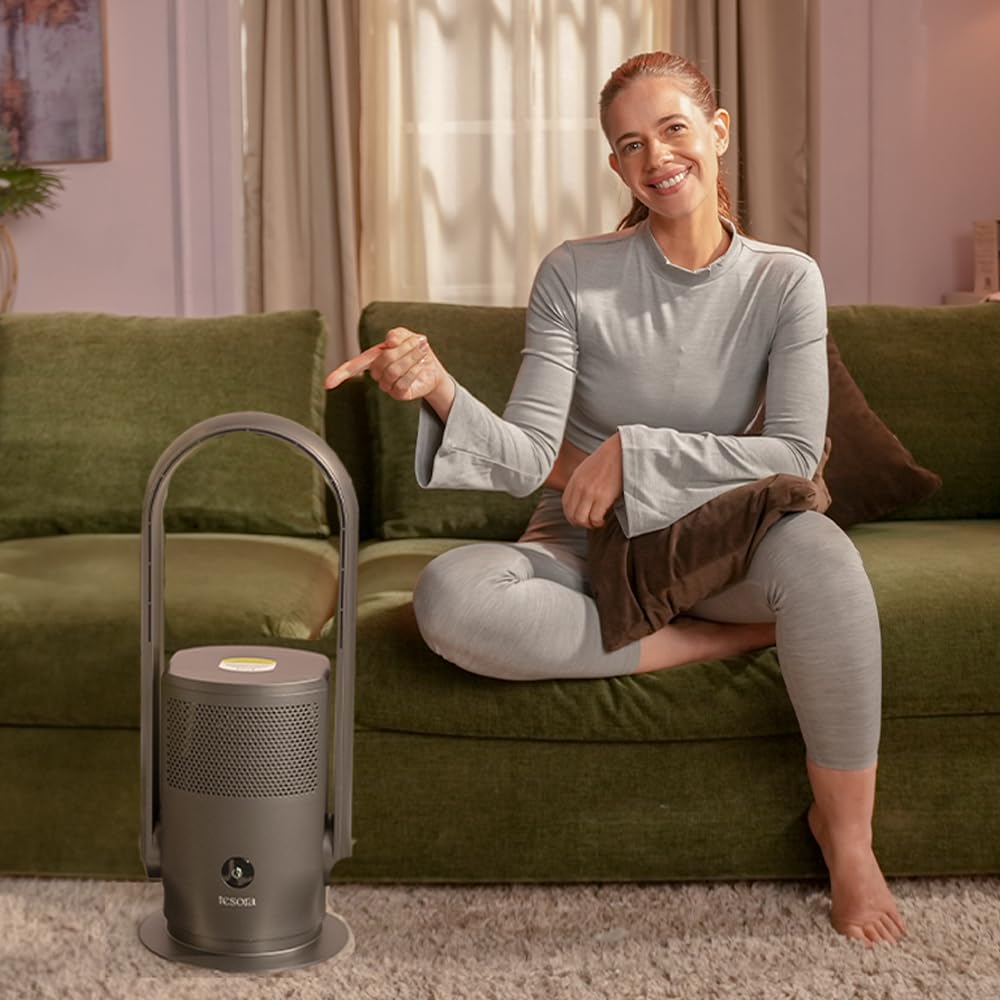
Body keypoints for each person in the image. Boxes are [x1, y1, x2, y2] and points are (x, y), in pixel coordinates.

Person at [326, 51, 906, 947]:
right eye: (631, 144)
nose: (657, 156)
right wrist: (437, 385)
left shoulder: (786, 279)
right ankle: (729, 642)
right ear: (616, 168)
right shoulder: (573, 274)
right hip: (584, 546)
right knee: (450, 596)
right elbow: (525, 453)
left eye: (675, 129)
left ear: (716, 133)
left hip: (719, 545)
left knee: (826, 560)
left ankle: (849, 839)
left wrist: (638, 451)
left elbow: (791, 451)